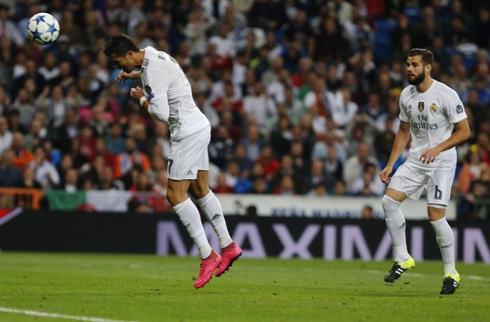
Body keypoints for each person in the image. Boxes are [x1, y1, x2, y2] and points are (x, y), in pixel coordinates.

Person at [102, 34, 242, 289]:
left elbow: (161, 113)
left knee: (175, 195)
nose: (118, 67)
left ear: (130, 54)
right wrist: (132, 75)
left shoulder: (151, 69)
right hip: (200, 125)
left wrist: (141, 99)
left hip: (185, 133)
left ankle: (207, 254)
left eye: (118, 61)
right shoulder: (154, 55)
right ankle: (229, 245)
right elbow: (161, 75)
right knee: (200, 191)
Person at [379, 48, 470, 295]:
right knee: (388, 202)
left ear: (428, 67)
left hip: (441, 161)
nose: (409, 69)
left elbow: (464, 131)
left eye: (415, 65)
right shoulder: (406, 95)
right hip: (416, 159)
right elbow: (403, 131)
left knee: (435, 216)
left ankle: (451, 272)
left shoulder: (446, 94)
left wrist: (438, 148)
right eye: (408, 64)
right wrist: (390, 164)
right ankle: (403, 257)